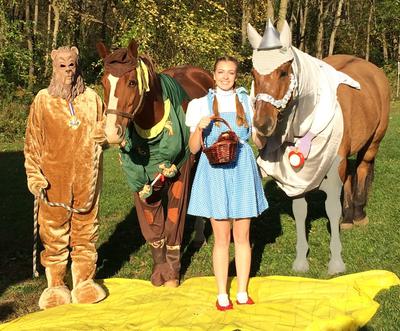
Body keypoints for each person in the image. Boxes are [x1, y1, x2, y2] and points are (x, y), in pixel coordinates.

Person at [24, 46, 107, 309]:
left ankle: (83, 282)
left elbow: (105, 127)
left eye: (71, 65)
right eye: (62, 66)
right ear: (53, 66)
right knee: (54, 234)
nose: (68, 71)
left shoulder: (92, 98)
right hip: (53, 180)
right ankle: (56, 284)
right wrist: (34, 176)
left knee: (85, 232)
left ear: (77, 65)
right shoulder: (43, 100)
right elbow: (32, 142)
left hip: (86, 180)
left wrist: (105, 134)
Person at [185, 56, 268, 311]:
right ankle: (222, 293)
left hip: (242, 170)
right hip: (215, 171)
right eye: (221, 72)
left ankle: (242, 291)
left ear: (236, 75)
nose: (225, 77)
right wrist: (199, 128)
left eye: (230, 73)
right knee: (222, 238)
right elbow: (193, 149)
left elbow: (260, 142)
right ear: (214, 74)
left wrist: (263, 134)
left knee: (242, 236)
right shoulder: (201, 104)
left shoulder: (247, 102)